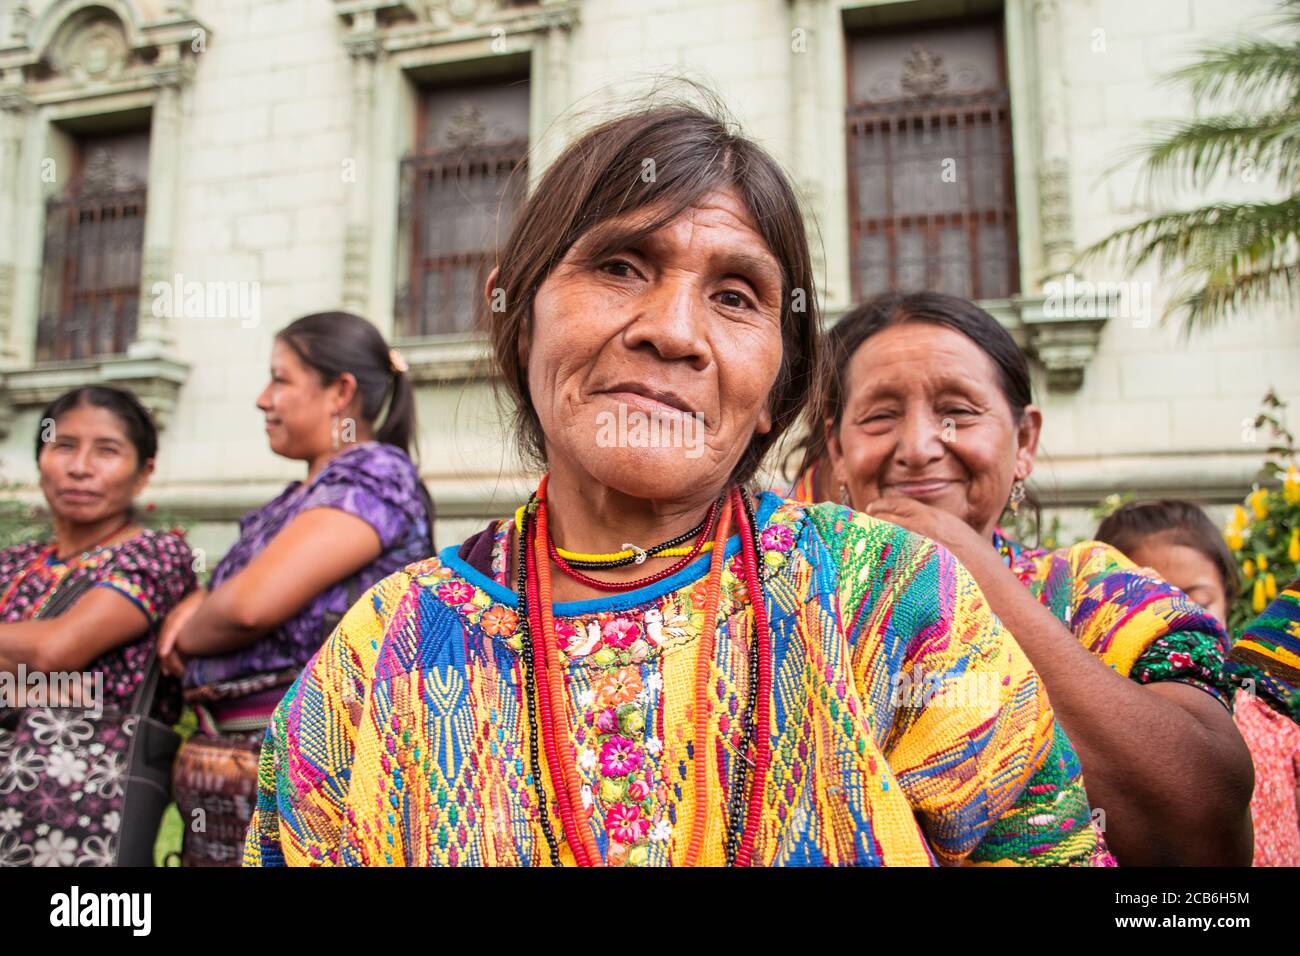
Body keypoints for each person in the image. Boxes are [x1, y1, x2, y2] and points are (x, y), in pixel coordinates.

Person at [245, 104, 1110, 867]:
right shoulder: (381, 654)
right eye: (620, 266)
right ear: (518, 317)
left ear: (778, 388)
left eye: (735, 296)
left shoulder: (888, 602)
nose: (672, 332)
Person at [796, 291, 1254, 866]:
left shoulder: (1096, 591)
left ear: (1025, 442)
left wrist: (970, 574)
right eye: (880, 416)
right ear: (838, 450)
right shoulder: (782, 608)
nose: (916, 448)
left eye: (957, 412)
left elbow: (1205, 827)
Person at [159, 311, 434, 866]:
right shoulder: (302, 493)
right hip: (227, 766)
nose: (263, 399)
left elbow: (246, 608)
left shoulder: (374, 474)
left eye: (280, 379)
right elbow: (226, 592)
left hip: (302, 759)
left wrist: (185, 634)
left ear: (340, 391)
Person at [0, 386, 196, 866]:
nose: (80, 467)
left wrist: (23, 675)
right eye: (63, 445)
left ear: (144, 471)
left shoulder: (155, 555)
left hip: (88, 796)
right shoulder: (14, 563)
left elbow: (58, 650)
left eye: (107, 450)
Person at [1095, 499, 1300, 866]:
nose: (1177, 623)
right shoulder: (1091, 728)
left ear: (1228, 595)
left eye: (1197, 599)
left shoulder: (1273, 711)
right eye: (1146, 605)